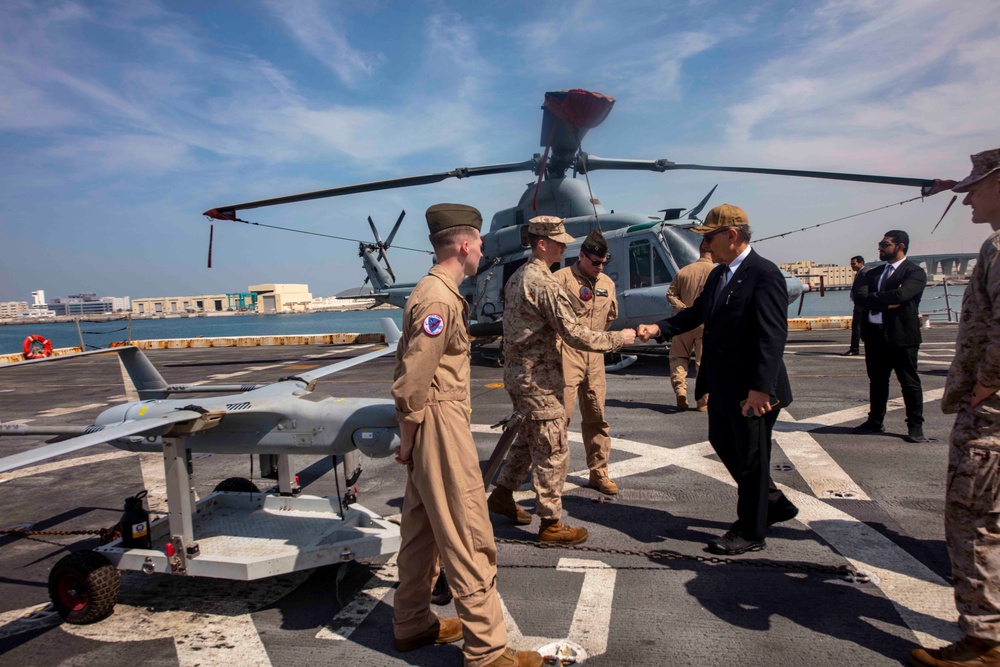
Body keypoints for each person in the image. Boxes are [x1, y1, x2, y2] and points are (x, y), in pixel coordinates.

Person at [392, 203, 542, 667]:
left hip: (433, 419)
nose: (481, 249)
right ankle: (487, 650)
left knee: (421, 532)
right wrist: (412, 436)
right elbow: (414, 378)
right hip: (437, 421)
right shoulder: (438, 298)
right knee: (468, 532)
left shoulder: (437, 292)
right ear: (463, 244)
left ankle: (412, 623)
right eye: (478, 242)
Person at [637, 204, 798, 555]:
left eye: (709, 236)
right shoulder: (718, 274)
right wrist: (660, 328)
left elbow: (772, 337)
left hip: (752, 390)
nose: (705, 244)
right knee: (722, 441)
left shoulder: (764, 273)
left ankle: (751, 530)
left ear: (732, 235)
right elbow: (695, 313)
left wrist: (760, 390)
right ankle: (772, 502)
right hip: (722, 384)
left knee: (752, 458)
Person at [488, 216, 636, 545]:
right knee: (554, 450)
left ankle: (502, 495)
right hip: (538, 378)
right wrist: (618, 340)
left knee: (528, 440)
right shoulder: (544, 281)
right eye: (558, 241)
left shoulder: (518, 277)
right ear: (542, 243)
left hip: (519, 375)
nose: (563, 246)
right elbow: (573, 332)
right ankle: (551, 524)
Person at [910, 148, 1000, 667]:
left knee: (974, 521)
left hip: (992, 419)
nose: (966, 195)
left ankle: (985, 641)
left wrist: (986, 385)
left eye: (977, 185)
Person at [553, 230, 621, 495]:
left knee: (597, 416)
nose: (600, 267)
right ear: (581, 256)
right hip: (566, 354)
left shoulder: (607, 282)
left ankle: (599, 472)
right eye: (595, 262)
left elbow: (610, 315)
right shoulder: (560, 280)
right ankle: (553, 474)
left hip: (595, 358)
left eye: (604, 262)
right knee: (561, 417)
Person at [851, 230, 929, 443]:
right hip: (875, 335)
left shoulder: (914, 272)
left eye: (885, 244)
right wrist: (887, 300)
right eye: (880, 244)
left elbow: (903, 295)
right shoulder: (873, 273)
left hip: (902, 336)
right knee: (877, 381)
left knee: (909, 382)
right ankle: (875, 421)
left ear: (900, 246)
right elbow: (859, 297)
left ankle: (915, 426)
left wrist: (875, 298)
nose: (880, 248)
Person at [666, 238, 715, 411]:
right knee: (703, 362)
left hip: (683, 323)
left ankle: (680, 390)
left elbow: (670, 294)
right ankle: (703, 401)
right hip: (706, 324)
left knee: (678, 358)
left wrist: (683, 310)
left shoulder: (683, 272)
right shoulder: (717, 272)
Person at [843, 255, 868, 356]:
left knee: (857, 327)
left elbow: (864, 289)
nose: (852, 266)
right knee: (858, 327)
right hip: (859, 304)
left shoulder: (865, 273)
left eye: (854, 264)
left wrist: (860, 299)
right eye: (851, 264)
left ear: (861, 263)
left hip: (862, 305)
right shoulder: (860, 273)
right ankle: (855, 348)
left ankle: (854, 348)